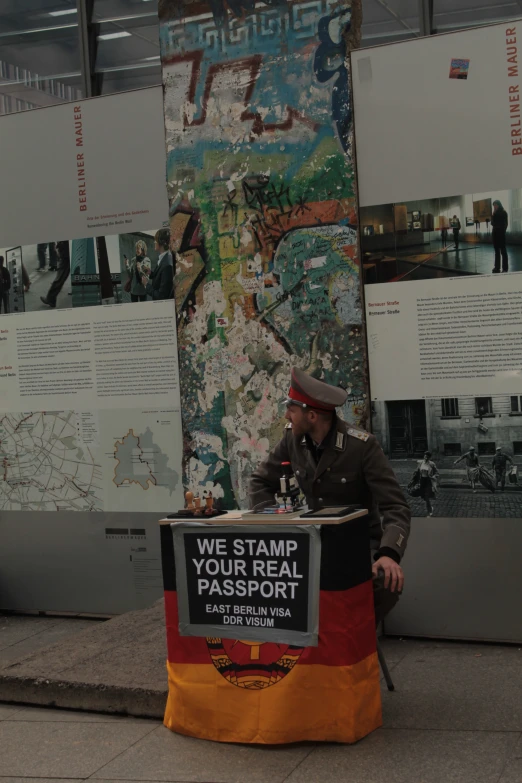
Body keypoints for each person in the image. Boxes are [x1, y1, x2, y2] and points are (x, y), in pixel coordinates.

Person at [249, 368, 411, 625]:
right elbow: (260, 482)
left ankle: (354, 638)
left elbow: (396, 506)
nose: (286, 415)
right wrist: (275, 525)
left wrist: (388, 553)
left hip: (359, 545)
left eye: (291, 409)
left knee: (386, 582)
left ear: (311, 415)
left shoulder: (362, 446)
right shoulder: (293, 439)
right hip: (313, 541)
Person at [142, 228, 173, 300]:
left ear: (162, 242)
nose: (154, 242)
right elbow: (161, 277)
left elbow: (161, 296)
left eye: (155, 240)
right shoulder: (164, 257)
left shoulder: (167, 265)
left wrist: (146, 285)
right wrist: (151, 273)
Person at [40, 241, 70, 309]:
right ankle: (51, 298)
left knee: (60, 275)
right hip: (68, 248)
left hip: (66, 249)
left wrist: (59, 246)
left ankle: (51, 298)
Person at [415, 451, 438, 516]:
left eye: (427, 457)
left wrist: (433, 476)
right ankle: (430, 507)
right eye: (425, 456)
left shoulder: (432, 464)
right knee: (424, 497)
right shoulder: (420, 463)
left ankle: (429, 510)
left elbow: (437, 473)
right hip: (422, 480)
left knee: (427, 496)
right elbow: (417, 472)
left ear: (429, 458)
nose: (426, 458)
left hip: (428, 481)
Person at [491, 199, 509, 273]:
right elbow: (492, 223)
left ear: (499, 205)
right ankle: (497, 267)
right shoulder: (494, 213)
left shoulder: (504, 212)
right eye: (494, 205)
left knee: (503, 251)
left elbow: (505, 224)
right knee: (496, 252)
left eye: (496, 205)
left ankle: (505, 268)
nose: (494, 206)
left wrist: (502, 231)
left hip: (501, 234)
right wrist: (493, 215)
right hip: (495, 234)